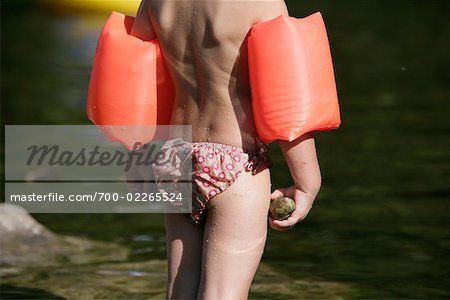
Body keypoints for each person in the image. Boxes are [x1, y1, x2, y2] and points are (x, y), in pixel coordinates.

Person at [130, 1, 322, 299]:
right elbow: (286, 96)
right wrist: (306, 182)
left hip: (175, 157)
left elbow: (136, 70)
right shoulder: (262, 3)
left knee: (180, 288)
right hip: (236, 162)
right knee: (223, 292)